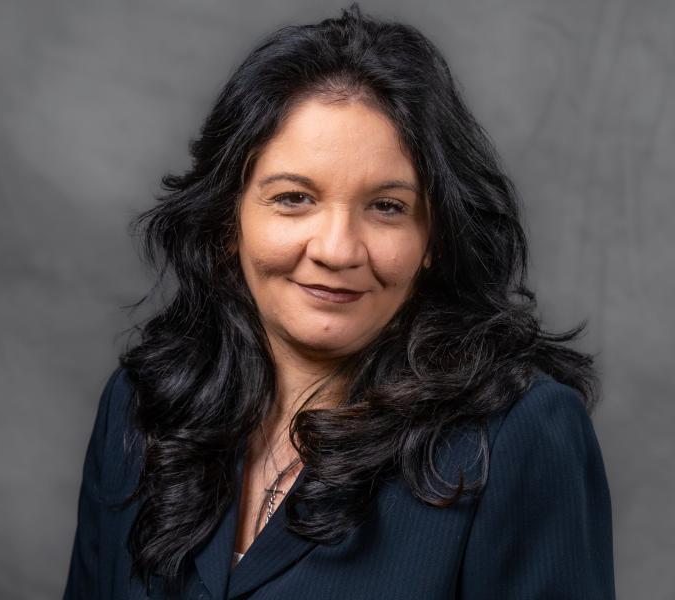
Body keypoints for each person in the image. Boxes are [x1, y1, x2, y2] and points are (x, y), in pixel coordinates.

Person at [63, 4, 615, 599]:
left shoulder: (520, 437)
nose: (337, 249)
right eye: (295, 198)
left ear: (432, 240)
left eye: (387, 207)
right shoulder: (141, 408)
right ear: (229, 219)